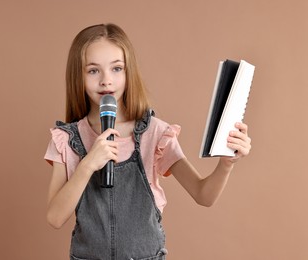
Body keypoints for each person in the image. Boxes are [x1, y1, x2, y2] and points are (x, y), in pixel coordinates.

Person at [44, 23, 251, 260]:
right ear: (77, 75)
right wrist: (88, 164)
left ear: (129, 72)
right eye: (93, 71)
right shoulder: (67, 139)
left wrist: (226, 164)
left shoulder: (155, 133)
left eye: (117, 69)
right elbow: (55, 217)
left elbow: (203, 195)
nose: (106, 81)